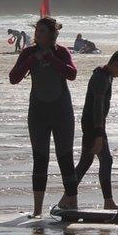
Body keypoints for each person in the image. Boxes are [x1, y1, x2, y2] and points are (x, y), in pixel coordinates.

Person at [8, 17, 78, 216]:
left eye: (42, 31)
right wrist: (32, 60)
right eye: (37, 31)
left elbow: (72, 74)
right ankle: (37, 211)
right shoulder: (29, 52)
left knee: (65, 157)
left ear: (52, 35)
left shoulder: (61, 52)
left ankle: (73, 204)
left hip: (62, 111)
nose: (37, 34)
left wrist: (51, 59)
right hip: (38, 112)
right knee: (40, 159)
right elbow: (13, 78)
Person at [75, 49, 118, 210]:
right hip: (93, 125)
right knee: (105, 160)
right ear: (115, 64)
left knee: (86, 163)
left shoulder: (106, 76)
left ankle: (67, 197)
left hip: (95, 124)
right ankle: (108, 202)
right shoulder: (101, 78)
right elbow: (97, 106)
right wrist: (99, 133)